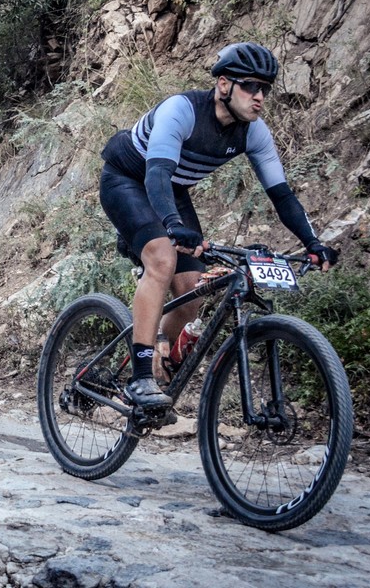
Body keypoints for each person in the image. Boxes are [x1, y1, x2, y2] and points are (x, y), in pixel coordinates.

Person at [98, 41, 339, 410]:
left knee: (192, 289)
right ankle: (140, 378)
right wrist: (173, 225)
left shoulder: (253, 132)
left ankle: (156, 355)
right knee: (162, 259)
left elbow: (282, 196)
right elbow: (157, 174)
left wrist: (312, 241)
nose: (259, 97)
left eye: (265, 89)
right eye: (251, 86)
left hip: (171, 188)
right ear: (224, 85)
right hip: (129, 178)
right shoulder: (182, 110)